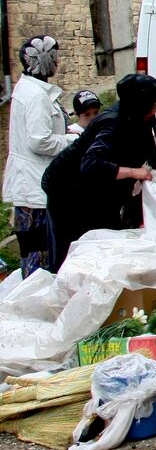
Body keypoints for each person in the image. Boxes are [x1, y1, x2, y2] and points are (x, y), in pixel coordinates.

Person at [43, 73, 156, 271]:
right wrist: (134, 172)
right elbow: (92, 165)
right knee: (78, 254)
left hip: (97, 192)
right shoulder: (111, 122)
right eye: (154, 104)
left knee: (109, 245)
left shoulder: (136, 118)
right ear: (140, 102)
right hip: (69, 190)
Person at [3, 35, 76, 276]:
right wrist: (72, 140)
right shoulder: (35, 95)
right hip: (34, 184)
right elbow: (39, 140)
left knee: (38, 250)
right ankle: (35, 301)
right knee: (38, 252)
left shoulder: (31, 89)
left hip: (35, 182)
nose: (58, 62)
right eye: (54, 57)